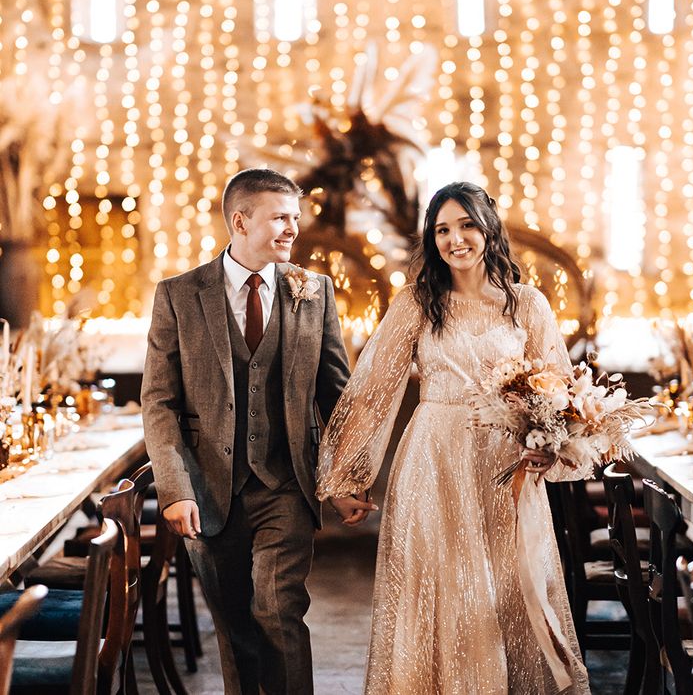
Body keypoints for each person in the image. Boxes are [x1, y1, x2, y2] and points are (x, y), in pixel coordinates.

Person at [316, 181, 592, 694]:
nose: (455, 239)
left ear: (488, 228)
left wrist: (548, 441)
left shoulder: (527, 304)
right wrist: (345, 475)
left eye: (466, 224)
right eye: (442, 229)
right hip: (433, 457)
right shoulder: (417, 303)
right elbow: (373, 389)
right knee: (440, 585)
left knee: (512, 585)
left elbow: (560, 388)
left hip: (505, 465)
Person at [141, 168, 356, 694]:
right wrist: (174, 490)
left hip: (286, 484)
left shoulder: (315, 291)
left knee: (278, 607)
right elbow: (159, 401)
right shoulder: (178, 295)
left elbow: (338, 396)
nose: (292, 229)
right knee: (235, 625)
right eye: (280, 217)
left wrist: (349, 475)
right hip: (208, 489)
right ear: (240, 221)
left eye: (295, 218)